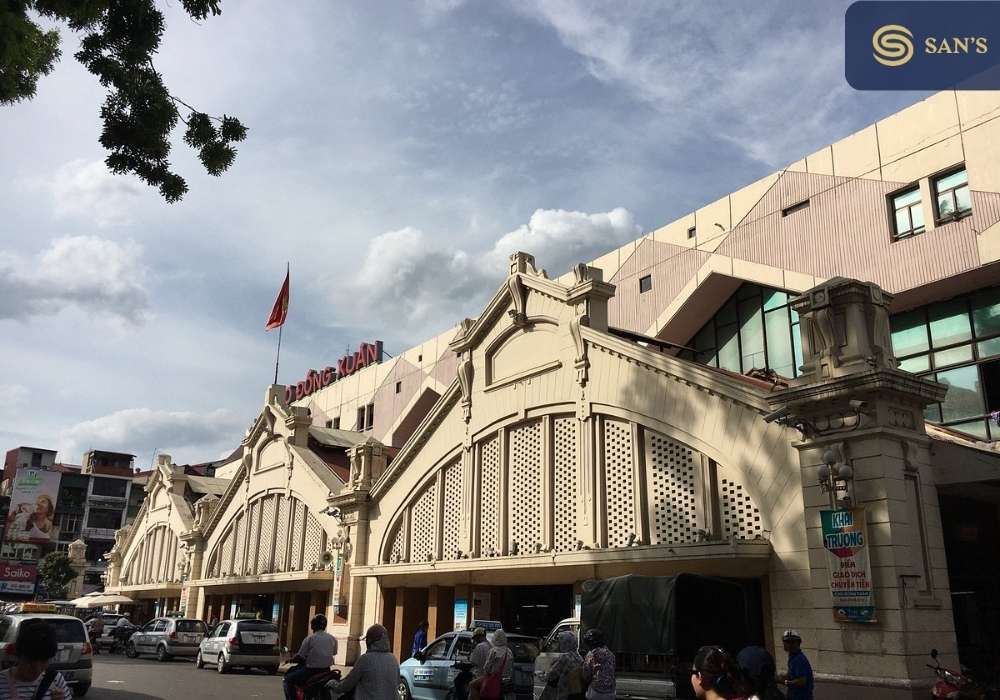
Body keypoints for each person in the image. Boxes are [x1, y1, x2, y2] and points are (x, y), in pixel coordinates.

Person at [0, 619, 71, 699]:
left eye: (44, 661)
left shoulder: (55, 680)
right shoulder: (2, 683)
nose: (37, 669)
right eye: (30, 661)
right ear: (19, 656)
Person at [326, 624, 399, 700]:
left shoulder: (365, 659)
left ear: (370, 641)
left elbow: (347, 684)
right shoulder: (393, 659)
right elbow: (396, 682)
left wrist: (334, 684)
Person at [283, 614, 338, 700]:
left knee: (288, 680)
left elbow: (300, 656)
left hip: (311, 671)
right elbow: (334, 653)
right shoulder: (332, 639)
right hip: (327, 670)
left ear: (313, 626)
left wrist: (291, 660)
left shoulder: (310, 638)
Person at [545, 630, 584, 700]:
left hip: (564, 694)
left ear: (565, 643)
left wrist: (545, 674)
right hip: (576, 693)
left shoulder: (564, 657)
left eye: (560, 642)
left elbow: (551, 675)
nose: (559, 644)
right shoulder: (579, 657)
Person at [778, 630, 814, 700]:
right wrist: (780, 677)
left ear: (797, 643)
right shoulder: (792, 657)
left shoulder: (799, 659)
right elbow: (791, 674)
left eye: (790, 642)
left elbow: (801, 681)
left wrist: (784, 682)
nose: (787, 644)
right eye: (785, 642)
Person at [479, 629, 514, 700]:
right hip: (506, 682)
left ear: (495, 638)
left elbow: (486, 667)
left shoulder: (493, 651)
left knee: (472, 685)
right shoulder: (509, 651)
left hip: (493, 679)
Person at [581, 629, 615, 700]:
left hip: (596, 692)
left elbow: (586, 676)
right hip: (611, 692)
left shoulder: (591, 655)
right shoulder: (610, 654)